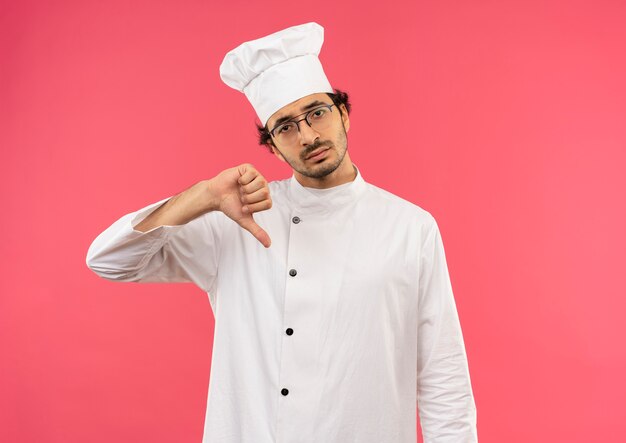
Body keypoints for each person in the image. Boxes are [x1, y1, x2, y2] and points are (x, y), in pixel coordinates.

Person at [86, 22, 478, 443]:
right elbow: (109, 261)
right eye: (286, 126)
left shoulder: (411, 228)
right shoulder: (236, 220)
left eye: (317, 113)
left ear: (343, 113)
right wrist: (202, 196)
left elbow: (442, 375)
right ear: (272, 146)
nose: (308, 135)